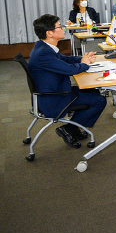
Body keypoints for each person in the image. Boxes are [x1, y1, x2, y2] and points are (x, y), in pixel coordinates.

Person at [28, 14, 107, 148]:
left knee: (92, 90)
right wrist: (85, 64)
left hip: (54, 90)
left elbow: (65, 60)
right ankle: (69, 129)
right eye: (59, 27)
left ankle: (73, 128)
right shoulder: (43, 53)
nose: (64, 29)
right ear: (49, 33)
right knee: (99, 100)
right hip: (53, 98)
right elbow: (69, 70)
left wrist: (83, 58)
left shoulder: (43, 47)